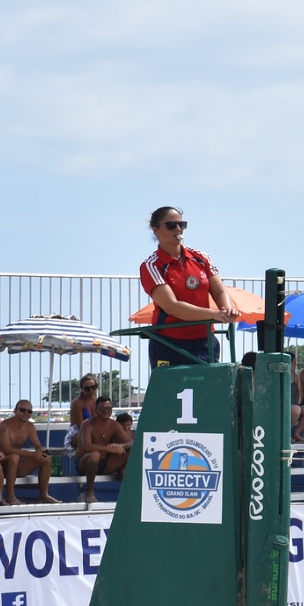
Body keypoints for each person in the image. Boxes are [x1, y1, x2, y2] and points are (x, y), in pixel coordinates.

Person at [139, 206, 239, 368]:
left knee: (208, 390)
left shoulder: (201, 257)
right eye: (171, 225)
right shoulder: (152, 265)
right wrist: (215, 314)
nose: (178, 229)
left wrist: (227, 309)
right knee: (174, 393)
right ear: (155, 229)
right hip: (170, 342)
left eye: (182, 224)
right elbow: (173, 307)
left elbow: (219, 290)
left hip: (205, 340)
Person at [0, 400, 58, 506]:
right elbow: (6, 449)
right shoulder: (4, 426)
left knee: (46, 458)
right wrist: (32, 454)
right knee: (14, 457)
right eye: (23, 410)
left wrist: (41, 451)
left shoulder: (30, 427)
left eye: (29, 411)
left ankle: (43, 495)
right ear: (15, 411)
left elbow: (37, 444)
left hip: (15, 465)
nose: (26, 413)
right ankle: (10, 496)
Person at [75, 397, 131, 504]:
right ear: (96, 409)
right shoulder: (87, 424)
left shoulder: (114, 425)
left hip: (105, 464)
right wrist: (110, 449)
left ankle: (130, 492)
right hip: (85, 463)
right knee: (95, 454)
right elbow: (87, 446)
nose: (106, 411)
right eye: (102, 409)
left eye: (109, 409)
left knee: (130, 451)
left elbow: (131, 442)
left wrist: (121, 446)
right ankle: (90, 491)